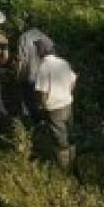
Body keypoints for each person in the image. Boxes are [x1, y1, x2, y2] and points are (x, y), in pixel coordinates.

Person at [33, 38, 77, 169]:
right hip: (67, 103)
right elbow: (73, 80)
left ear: (41, 52)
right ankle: (74, 160)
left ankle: (64, 168)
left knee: (60, 139)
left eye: (37, 49)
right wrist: (67, 92)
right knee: (69, 133)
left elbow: (42, 91)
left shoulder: (43, 66)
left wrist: (41, 105)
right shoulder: (63, 62)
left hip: (54, 107)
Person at [16, 23, 52, 120]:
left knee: (27, 103)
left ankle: (28, 125)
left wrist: (18, 76)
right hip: (44, 77)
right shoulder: (47, 38)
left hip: (29, 76)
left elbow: (21, 59)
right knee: (40, 103)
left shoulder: (23, 37)